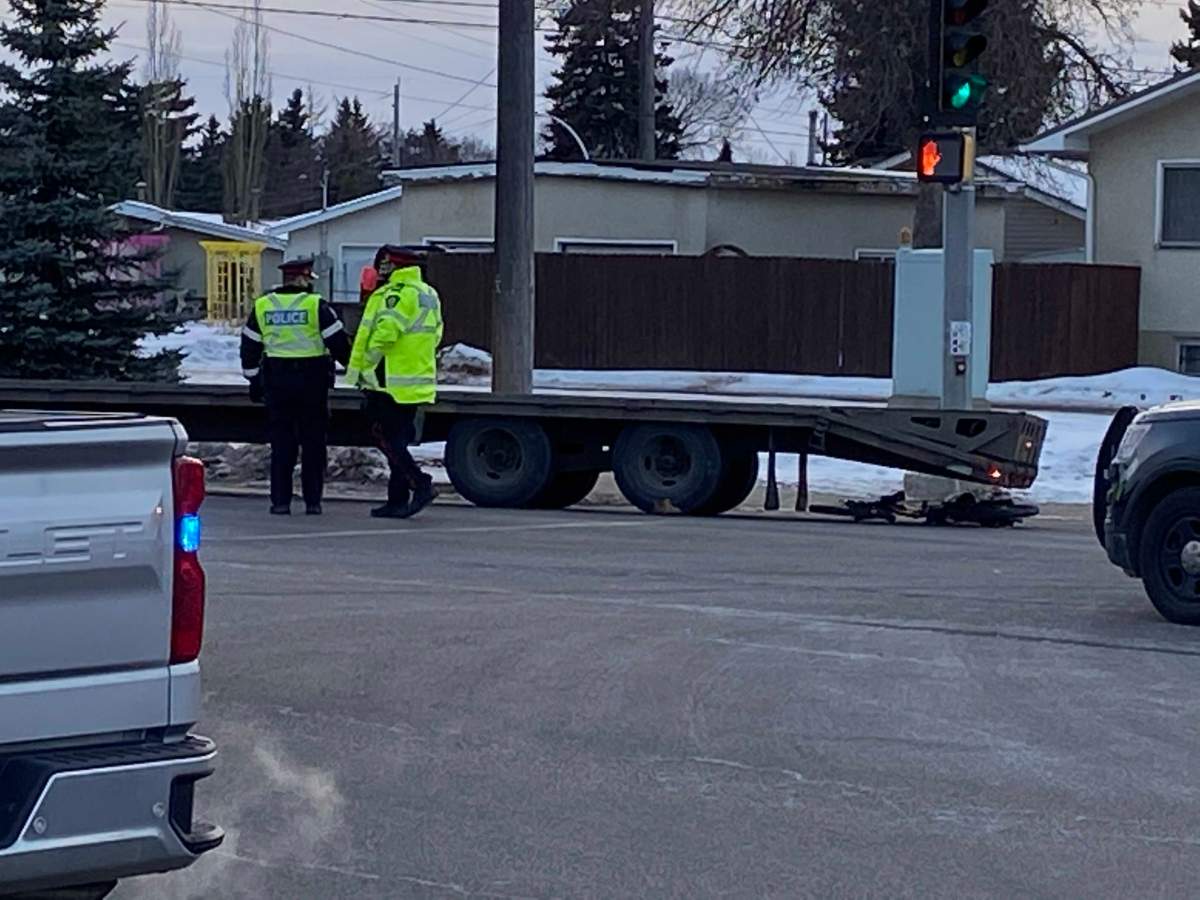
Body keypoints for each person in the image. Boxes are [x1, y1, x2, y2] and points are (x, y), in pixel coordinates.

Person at [240, 257, 351, 516]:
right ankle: (313, 502)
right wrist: (355, 371)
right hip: (312, 381)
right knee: (313, 443)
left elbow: (249, 347)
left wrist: (254, 380)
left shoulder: (263, 306)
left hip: (277, 381)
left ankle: (280, 502)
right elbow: (338, 343)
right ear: (302, 279)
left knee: (281, 444)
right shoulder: (316, 305)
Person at [346, 245, 444, 519]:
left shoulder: (395, 294)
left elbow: (385, 334)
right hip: (415, 379)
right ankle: (397, 500)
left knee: (386, 438)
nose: (382, 268)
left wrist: (366, 366)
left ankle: (421, 484)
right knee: (397, 439)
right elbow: (437, 334)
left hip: (388, 380)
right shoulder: (428, 293)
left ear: (395, 266)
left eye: (386, 263)